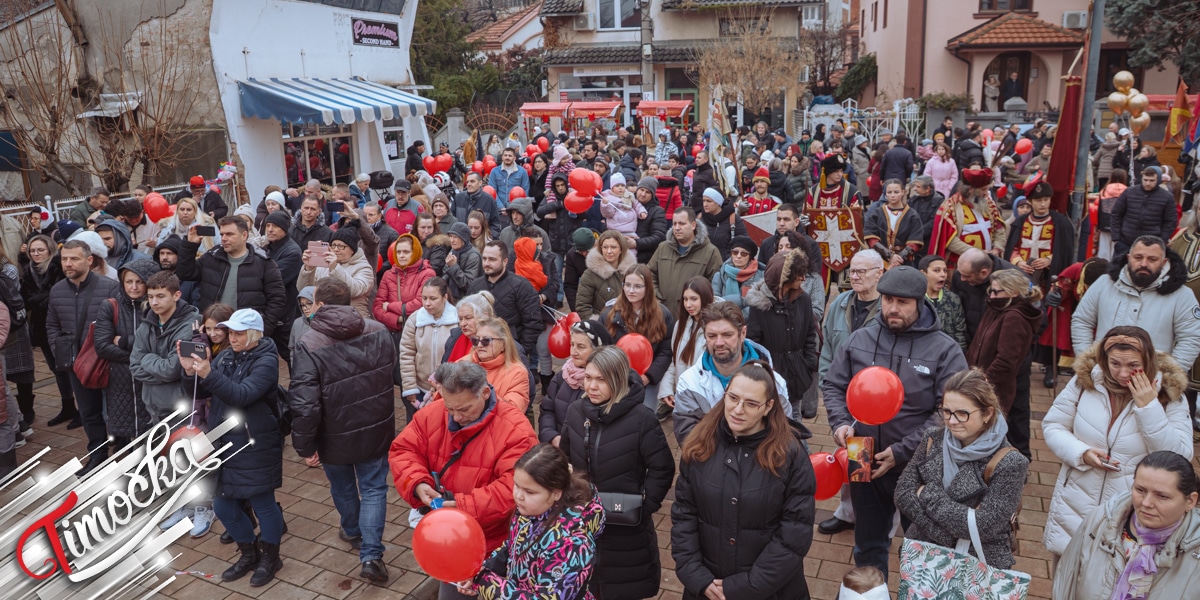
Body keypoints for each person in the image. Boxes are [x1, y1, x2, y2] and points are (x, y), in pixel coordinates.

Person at [822, 266, 968, 576]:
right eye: (888, 299)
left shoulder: (945, 350)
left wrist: (902, 451)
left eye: (902, 302)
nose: (892, 309)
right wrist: (839, 423)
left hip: (920, 461)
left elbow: (950, 412)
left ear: (920, 301)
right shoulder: (860, 339)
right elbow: (834, 385)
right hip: (860, 452)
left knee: (922, 547)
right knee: (868, 543)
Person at [1042, 326, 1193, 562]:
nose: (1123, 374)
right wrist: (1081, 453)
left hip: (1128, 510)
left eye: (1133, 365)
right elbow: (1053, 425)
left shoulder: (1169, 395)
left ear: (1148, 360)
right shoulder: (1084, 382)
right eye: (1114, 364)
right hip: (1075, 504)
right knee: (1064, 580)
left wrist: (1149, 408)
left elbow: (1180, 457)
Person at [389, 361, 537, 600]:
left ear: (485, 393)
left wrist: (462, 507)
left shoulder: (516, 430)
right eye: (450, 408)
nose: (456, 417)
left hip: (496, 548)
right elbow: (404, 450)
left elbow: (515, 488)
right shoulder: (431, 414)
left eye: (465, 409)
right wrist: (418, 483)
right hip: (448, 545)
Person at [672, 360, 816, 600]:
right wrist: (695, 575)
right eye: (733, 398)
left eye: (751, 404)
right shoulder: (700, 443)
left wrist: (746, 587)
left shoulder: (790, 454)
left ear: (769, 406)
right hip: (707, 588)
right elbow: (684, 513)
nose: (738, 410)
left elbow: (794, 534)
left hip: (770, 591)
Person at [288, 279, 395, 583]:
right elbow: (390, 373)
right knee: (374, 488)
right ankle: (372, 555)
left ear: (319, 304)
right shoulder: (377, 330)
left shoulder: (309, 342)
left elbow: (305, 402)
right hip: (375, 426)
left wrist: (304, 444)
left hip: (333, 434)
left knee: (344, 487)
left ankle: (353, 531)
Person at [559, 346, 675, 600]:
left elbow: (662, 467)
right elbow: (564, 458)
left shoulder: (643, 419)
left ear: (618, 379)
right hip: (581, 525)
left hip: (626, 530)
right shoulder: (576, 412)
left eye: (601, 379)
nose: (592, 386)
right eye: (588, 378)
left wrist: (646, 506)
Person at [179, 308, 284, 586]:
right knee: (224, 506)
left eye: (238, 333)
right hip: (225, 442)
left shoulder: (267, 360)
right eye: (231, 332)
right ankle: (249, 552)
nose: (232, 338)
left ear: (254, 334)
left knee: (263, 503)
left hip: (254, 443)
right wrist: (190, 373)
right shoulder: (226, 355)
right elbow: (201, 393)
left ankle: (271, 557)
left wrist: (208, 372)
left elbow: (242, 394)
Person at [894, 368, 1029, 570]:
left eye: (962, 414)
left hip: (975, 568)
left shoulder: (1009, 462)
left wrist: (926, 494)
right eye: (946, 411)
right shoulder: (933, 438)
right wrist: (951, 533)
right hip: (923, 558)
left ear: (987, 413)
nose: (952, 421)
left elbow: (984, 526)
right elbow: (903, 493)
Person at [456, 444, 603, 599]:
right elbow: (512, 547)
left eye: (529, 492)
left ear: (556, 493)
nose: (518, 496)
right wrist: (483, 569)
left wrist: (484, 581)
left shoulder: (570, 543)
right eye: (517, 486)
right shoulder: (529, 511)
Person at [1053, 450, 1200, 598]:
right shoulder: (1101, 519)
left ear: (1190, 501)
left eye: (1162, 496)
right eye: (1140, 490)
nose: (1146, 503)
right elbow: (1066, 582)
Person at [45, 240, 122, 474]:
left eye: (74, 258)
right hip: (77, 366)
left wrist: (110, 352)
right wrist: (64, 354)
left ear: (89, 260)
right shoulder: (57, 290)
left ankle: (121, 451)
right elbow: (51, 325)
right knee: (89, 413)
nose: (68, 263)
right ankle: (97, 455)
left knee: (116, 410)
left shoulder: (110, 287)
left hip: (108, 363)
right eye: (64, 259)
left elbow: (121, 325)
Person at [1071, 236, 1200, 369]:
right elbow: (1082, 320)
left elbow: (1190, 338)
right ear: (1128, 258)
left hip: (1152, 380)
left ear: (1163, 262)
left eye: (1152, 259)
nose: (1144, 264)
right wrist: (1087, 361)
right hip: (1101, 373)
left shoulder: (1182, 295)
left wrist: (1167, 377)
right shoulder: (1104, 283)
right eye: (1138, 257)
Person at [673, 302, 792, 442]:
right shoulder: (689, 383)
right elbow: (688, 437)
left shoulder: (775, 383)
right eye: (711, 336)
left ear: (743, 333)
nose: (719, 343)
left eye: (727, 335)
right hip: (710, 462)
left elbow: (782, 434)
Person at [964, 269, 1040, 458]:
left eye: (997, 291)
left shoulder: (1014, 317)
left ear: (1013, 292)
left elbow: (1006, 360)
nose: (991, 295)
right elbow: (977, 344)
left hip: (996, 388)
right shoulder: (996, 309)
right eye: (991, 290)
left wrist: (984, 381)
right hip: (982, 381)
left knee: (1004, 430)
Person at [178, 217, 288, 335]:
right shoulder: (212, 257)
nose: (224, 239)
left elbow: (277, 300)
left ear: (244, 235)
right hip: (213, 332)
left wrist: (262, 330)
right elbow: (186, 273)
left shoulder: (264, 263)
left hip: (246, 333)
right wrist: (190, 245)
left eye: (230, 234)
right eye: (222, 234)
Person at [746, 247, 820, 416]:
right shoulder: (760, 306)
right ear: (784, 277)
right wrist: (765, 376)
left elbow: (810, 334)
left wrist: (807, 364)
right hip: (771, 381)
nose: (803, 278)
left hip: (797, 377)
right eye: (798, 274)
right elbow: (753, 344)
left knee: (795, 424)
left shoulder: (803, 299)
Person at [94, 260, 157, 448]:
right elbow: (103, 346)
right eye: (129, 282)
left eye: (140, 282)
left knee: (153, 434)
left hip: (151, 380)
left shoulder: (157, 305)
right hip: (120, 380)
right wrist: (141, 357)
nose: (134, 287)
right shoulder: (110, 306)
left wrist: (124, 341)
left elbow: (160, 345)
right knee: (125, 433)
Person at [130, 270, 203, 423]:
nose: (154, 302)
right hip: (153, 409)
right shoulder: (146, 326)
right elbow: (135, 368)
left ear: (176, 295)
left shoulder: (191, 326)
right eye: (150, 297)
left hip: (183, 410)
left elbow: (172, 369)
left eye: (160, 296)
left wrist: (147, 358)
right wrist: (163, 372)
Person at [20, 234, 77, 427]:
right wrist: (41, 297)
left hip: (60, 324)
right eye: (33, 250)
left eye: (40, 250)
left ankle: (81, 409)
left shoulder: (57, 267)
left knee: (69, 367)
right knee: (55, 368)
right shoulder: (28, 271)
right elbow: (26, 299)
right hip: (40, 326)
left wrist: (40, 298)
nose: (36, 254)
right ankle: (67, 406)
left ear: (50, 250)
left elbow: (58, 295)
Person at [598, 264, 675, 407]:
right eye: (627, 285)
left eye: (638, 286)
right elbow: (601, 349)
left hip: (647, 382)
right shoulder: (609, 314)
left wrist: (649, 376)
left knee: (646, 420)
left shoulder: (662, 315)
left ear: (648, 288)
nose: (631, 291)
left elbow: (665, 351)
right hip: (616, 381)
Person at [466, 241, 543, 363]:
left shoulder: (521, 286)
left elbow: (533, 323)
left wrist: (519, 351)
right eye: (484, 259)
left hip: (510, 354)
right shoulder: (475, 286)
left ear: (505, 261)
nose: (486, 263)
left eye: (492, 259)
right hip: (479, 352)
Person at [540, 320, 613, 446]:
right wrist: (552, 436)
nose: (573, 352)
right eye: (572, 344)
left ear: (597, 350)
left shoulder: (608, 383)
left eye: (581, 346)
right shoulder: (563, 376)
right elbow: (547, 410)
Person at [397, 277, 458, 423]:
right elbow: (406, 354)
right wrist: (410, 387)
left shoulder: (458, 320)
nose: (427, 303)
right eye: (424, 298)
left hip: (448, 390)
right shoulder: (415, 319)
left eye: (433, 298)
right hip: (420, 387)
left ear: (445, 297)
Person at [1004, 181, 1075, 292]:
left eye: (1046, 200)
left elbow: (1066, 250)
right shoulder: (1020, 222)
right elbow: (1012, 247)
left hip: (1047, 278)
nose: (1043, 204)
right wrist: (1018, 262)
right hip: (1022, 275)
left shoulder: (1061, 223)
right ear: (1030, 202)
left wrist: (1050, 259)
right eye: (1038, 200)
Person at [648, 207, 724, 312]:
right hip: (662, 313)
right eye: (674, 224)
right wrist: (656, 295)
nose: (677, 228)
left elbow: (714, 286)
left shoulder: (710, 252)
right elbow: (649, 274)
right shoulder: (663, 247)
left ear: (693, 225)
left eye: (682, 224)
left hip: (692, 316)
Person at [929, 169, 1008, 264]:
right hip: (961, 263)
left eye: (987, 189)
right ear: (971, 190)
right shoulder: (950, 208)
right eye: (983, 189)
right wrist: (977, 253)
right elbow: (950, 241)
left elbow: (999, 229)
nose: (987, 193)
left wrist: (997, 248)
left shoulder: (989, 203)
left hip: (990, 261)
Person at [297, 228, 374, 319]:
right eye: (333, 245)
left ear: (352, 250)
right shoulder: (323, 265)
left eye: (341, 246)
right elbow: (304, 290)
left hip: (353, 319)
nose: (336, 249)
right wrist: (308, 269)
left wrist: (334, 267)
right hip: (324, 317)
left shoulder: (364, 267)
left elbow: (355, 290)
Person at [458, 317, 531, 413]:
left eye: (486, 341)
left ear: (503, 344)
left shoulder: (517, 373)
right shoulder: (463, 364)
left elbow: (512, 411)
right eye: (476, 340)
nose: (479, 345)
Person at [950, 247, 1018, 340]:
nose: (962, 279)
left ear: (983, 272)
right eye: (960, 273)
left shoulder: (1013, 279)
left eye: (966, 276)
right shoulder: (961, 274)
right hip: (967, 341)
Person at [374, 233, 435, 331]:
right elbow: (377, 308)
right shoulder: (388, 274)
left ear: (415, 252)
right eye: (398, 252)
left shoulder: (427, 274)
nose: (401, 256)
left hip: (418, 331)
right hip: (393, 333)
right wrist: (398, 319)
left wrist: (390, 306)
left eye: (406, 252)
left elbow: (420, 304)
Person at [1111, 168, 1178, 256]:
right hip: (1125, 241)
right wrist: (1116, 238)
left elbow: (1170, 221)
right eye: (1145, 180)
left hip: (1151, 244)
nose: (1147, 183)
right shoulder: (1129, 192)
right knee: (1117, 268)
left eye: (1151, 180)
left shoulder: (1167, 197)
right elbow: (1116, 214)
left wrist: (1162, 240)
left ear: (1158, 180)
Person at [575, 231, 637, 321]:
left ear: (621, 249)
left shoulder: (633, 272)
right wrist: (598, 325)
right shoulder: (590, 274)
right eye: (605, 247)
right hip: (604, 327)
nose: (609, 251)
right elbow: (582, 306)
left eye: (613, 247)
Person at [919, 255, 968, 351]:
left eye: (945, 270)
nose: (943, 274)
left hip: (946, 353)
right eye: (936, 270)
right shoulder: (916, 298)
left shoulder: (953, 299)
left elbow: (960, 332)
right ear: (923, 273)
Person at [711, 236, 763, 315]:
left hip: (750, 322)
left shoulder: (761, 276)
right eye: (735, 252)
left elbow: (759, 303)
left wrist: (738, 315)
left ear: (750, 257)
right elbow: (715, 302)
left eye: (744, 253)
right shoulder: (719, 275)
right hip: (724, 319)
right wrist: (743, 300)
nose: (738, 256)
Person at [453, 172, 503, 239]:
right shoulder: (458, 198)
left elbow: (495, 225)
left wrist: (487, 239)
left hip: (481, 243)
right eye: (467, 182)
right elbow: (452, 219)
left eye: (472, 181)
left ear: (480, 183)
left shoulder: (489, 200)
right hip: (461, 241)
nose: (469, 184)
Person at [444, 222, 483, 301]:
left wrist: (453, 266)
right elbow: (445, 274)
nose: (452, 240)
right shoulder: (453, 251)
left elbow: (469, 285)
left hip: (467, 299)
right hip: (450, 297)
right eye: (450, 236)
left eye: (455, 237)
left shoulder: (473, 256)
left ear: (463, 239)